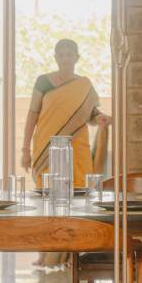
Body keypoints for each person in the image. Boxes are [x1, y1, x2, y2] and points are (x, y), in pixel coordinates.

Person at [20, 38, 111, 188]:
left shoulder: (84, 85)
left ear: (77, 58)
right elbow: (32, 114)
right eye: (61, 55)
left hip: (77, 145)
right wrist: (25, 150)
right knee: (49, 190)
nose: (65, 59)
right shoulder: (43, 81)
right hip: (48, 144)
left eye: (69, 55)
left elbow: (91, 115)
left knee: (81, 189)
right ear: (55, 58)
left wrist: (100, 118)